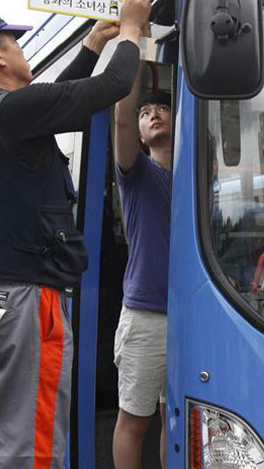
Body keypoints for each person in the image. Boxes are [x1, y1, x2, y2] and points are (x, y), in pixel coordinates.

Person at [0, 0, 152, 469]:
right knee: (30, 449)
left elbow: (48, 105)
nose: (21, 49)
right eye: (14, 42)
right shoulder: (9, 110)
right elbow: (112, 87)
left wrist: (91, 48)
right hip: (24, 303)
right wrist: (134, 27)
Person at [112, 45, 172, 469]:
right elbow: (121, 114)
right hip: (146, 315)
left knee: (176, 415)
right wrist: (133, 46)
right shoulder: (135, 173)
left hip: (191, 314)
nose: (152, 113)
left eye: (161, 109)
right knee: (135, 420)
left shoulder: (196, 181)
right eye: (145, 111)